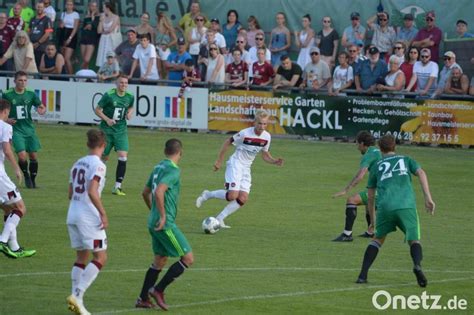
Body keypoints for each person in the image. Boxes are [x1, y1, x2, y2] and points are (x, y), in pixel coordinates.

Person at [355, 134, 435, 287]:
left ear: (380, 148)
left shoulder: (377, 165)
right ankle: (417, 265)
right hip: (406, 205)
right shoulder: (406, 159)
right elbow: (421, 173)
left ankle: (362, 275)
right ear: (395, 146)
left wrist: (372, 220)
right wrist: (428, 198)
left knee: (377, 240)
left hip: (385, 207)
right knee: (414, 240)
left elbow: (371, 196)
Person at [196, 110, 284, 228]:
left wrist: (274, 161)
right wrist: (219, 161)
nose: (262, 126)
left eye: (264, 124)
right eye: (259, 123)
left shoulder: (267, 137)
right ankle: (207, 195)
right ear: (254, 122)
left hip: (246, 168)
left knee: (242, 198)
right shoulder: (245, 133)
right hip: (236, 164)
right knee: (232, 196)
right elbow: (228, 142)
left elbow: (264, 154)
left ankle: (220, 218)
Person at [136, 138, 193, 311]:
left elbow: (145, 193)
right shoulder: (173, 171)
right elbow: (159, 191)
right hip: (165, 224)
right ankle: (158, 290)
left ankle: (143, 298)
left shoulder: (158, 167)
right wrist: (162, 216)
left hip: (152, 221)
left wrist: (153, 212)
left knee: (159, 260)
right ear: (180, 153)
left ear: (165, 151)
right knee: (188, 258)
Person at [66, 129, 108, 315]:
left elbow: (70, 193)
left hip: (72, 213)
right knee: (100, 257)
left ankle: (76, 301)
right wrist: (103, 213)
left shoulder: (76, 163)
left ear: (87, 144)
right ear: (103, 145)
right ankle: (77, 295)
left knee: (81, 257)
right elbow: (92, 191)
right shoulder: (99, 165)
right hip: (88, 216)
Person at [0, 98, 36, 259]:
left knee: (8, 209)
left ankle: (14, 248)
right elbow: (7, 150)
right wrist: (16, 168)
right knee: (20, 208)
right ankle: (2, 241)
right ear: (6, 111)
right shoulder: (6, 127)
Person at [332, 131, 382, 241]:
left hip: (383, 190)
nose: (357, 147)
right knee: (368, 203)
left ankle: (347, 235)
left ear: (362, 144)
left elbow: (360, 176)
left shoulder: (368, 155)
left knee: (352, 200)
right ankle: (371, 232)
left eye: (357, 144)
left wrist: (345, 190)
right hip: (390, 188)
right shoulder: (378, 151)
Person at [1, 71, 46, 188]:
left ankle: (33, 180)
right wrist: (7, 120)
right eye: (20, 80)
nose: (23, 83)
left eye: (25, 80)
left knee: (33, 156)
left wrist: (42, 109)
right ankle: (26, 176)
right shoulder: (7, 94)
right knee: (22, 155)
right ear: (15, 81)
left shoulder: (30, 93)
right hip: (15, 130)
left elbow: (40, 105)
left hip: (29, 129)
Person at [94, 75, 134, 196]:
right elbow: (97, 109)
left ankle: (117, 187)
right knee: (103, 158)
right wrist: (107, 119)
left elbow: (131, 107)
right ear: (116, 84)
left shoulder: (130, 96)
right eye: (121, 83)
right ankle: (96, 183)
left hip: (121, 131)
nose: (124, 85)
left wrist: (129, 113)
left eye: (126, 83)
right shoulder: (109, 95)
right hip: (106, 130)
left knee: (123, 156)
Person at [57, 0, 80, 74]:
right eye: (68, 4)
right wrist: (61, 25)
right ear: (65, 5)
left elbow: (75, 28)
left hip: (71, 35)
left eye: (71, 4)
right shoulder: (63, 14)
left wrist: (70, 38)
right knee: (63, 58)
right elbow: (60, 25)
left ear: (73, 6)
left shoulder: (75, 14)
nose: (69, 6)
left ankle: (71, 77)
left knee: (67, 58)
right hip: (63, 34)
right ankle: (65, 75)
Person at [96, 2, 121, 68]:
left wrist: (103, 32)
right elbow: (99, 31)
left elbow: (110, 30)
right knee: (102, 57)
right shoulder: (102, 17)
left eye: (104, 8)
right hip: (103, 40)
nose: (103, 10)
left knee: (111, 57)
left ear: (108, 8)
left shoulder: (116, 17)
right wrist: (101, 21)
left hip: (111, 40)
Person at [29, 1, 53, 68]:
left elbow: (48, 33)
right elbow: (29, 31)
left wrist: (38, 43)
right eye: (38, 7)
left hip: (41, 47)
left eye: (41, 7)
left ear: (44, 8)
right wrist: (29, 42)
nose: (39, 9)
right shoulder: (32, 19)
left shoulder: (48, 20)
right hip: (31, 46)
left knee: (40, 66)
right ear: (36, 7)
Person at [156, 12, 178, 80]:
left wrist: (167, 45)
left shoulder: (169, 29)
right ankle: (160, 83)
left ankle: (166, 83)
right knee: (158, 69)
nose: (161, 19)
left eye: (163, 17)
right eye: (160, 17)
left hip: (164, 49)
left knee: (166, 68)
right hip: (157, 48)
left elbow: (175, 40)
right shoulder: (157, 28)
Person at [79, 1, 100, 69]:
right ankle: (85, 77)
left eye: (95, 6)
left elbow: (94, 26)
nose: (93, 8)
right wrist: (86, 27)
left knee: (86, 60)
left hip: (92, 39)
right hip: (84, 39)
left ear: (97, 7)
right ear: (89, 7)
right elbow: (83, 28)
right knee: (84, 59)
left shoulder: (98, 16)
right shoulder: (86, 16)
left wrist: (93, 17)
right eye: (92, 6)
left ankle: (79, 74)